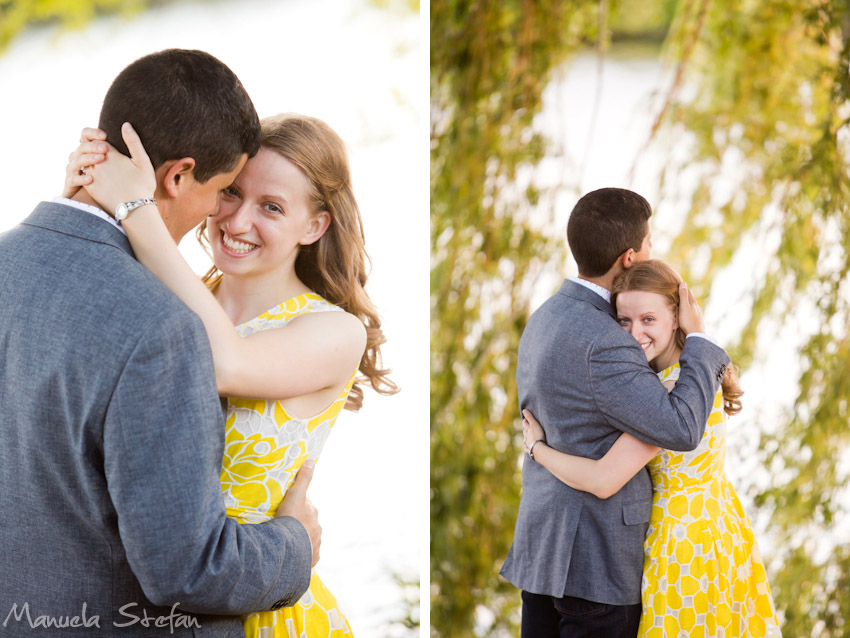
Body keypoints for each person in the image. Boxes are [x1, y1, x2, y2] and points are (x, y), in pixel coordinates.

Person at [0, 49, 320, 637]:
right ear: (176, 176)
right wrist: (294, 545)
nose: (219, 214)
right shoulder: (163, 328)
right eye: (223, 189)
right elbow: (188, 571)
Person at [64, 111, 397, 637]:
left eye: (271, 206)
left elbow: (223, 363)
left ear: (314, 226)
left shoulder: (335, 332)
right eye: (232, 193)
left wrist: (135, 207)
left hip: (261, 608)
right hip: (142, 604)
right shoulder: (180, 292)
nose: (239, 222)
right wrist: (83, 203)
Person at [500, 188, 731, 638]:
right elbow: (681, 426)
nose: (652, 253)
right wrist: (700, 340)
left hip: (544, 549)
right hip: (595, 563)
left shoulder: (545, 316)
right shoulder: (606, 340)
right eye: (650, 244)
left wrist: (537, 449)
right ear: (629, 258)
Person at [521, 259, 781, 637]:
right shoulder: (695, 373)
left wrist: (537, 448)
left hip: (681, 547)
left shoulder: (671, 393)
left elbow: (603, 479)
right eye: (623, 321)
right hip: (717, 528)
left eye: (648, 320)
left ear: (677, 317)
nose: (633, 334)